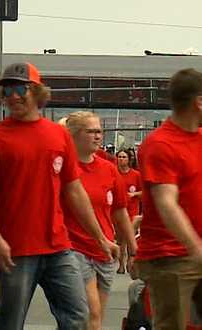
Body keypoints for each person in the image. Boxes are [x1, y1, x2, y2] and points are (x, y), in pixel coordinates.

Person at [0, 62, 118, 330]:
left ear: (37, 92)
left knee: (78, 316)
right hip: (15, 249)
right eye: (7, 90)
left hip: (58, 247)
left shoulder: (58, 135)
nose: (13, 96)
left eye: (20, 89)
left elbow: (74, 190)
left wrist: (100, 238)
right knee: (11, 322)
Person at [134, 68, 202, 330]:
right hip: (170, 257)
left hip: (193, 253)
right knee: (173, 325)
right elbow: (166, 203)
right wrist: (195, 247)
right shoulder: (160, 145)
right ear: (198, 102)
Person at [62, 111, 136, 330]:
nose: (97, 136)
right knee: (90, 312)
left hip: (105, 251)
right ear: (74, 135)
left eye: (99, 131)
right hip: (74, 249)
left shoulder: (109, 169)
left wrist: (133, 249)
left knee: (95, 317)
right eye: (91, 131)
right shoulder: (64, 169)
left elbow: (120, 212)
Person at [116, 148, 143, 273]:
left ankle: (129, 263)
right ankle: (120, 264)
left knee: (129, 237)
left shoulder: (136, 175)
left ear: (129, 160)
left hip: (132, 211)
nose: (121, 159)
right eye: (119, 157)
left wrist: (134, 194)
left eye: (124, 157)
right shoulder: (114, 173)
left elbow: (144, 192)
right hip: (118, 211)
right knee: (120, 240)